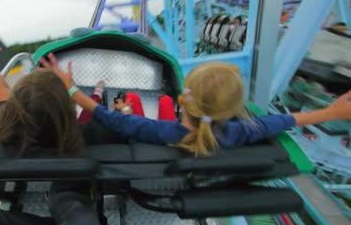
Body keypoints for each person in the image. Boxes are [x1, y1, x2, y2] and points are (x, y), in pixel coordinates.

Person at [0, 39, 108, 225]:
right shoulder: (90, 134)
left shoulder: (7, 129)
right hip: (69, 203)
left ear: (14, 107)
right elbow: (119, 126)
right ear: (68, 110)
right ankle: (66, 198)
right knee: (75, 209)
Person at [44, 56, 351, 156]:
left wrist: (68, 85)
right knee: (154, 100)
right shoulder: (238, 133)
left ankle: (128, 102)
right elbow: (282, 122)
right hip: (185, 136)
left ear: (183, 101)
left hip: (155, 141)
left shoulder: (151, 130)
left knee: (135, 103)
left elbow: (104, 116)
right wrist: (331, 113)